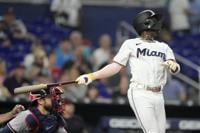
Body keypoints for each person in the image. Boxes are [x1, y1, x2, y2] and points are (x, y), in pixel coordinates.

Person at [76, 10, 180, 133]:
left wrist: (173, 66)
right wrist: (92, 75)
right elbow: (115, 66)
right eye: (153, 20)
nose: (157, 23)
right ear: (145, 23)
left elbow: (175, 69)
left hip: (158, 94)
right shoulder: (131, 44)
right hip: (140, 92)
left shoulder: (164, 47)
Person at [0, 87, 67, 132]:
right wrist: (11, 114)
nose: (57, 100)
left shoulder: (54, 117)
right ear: (40, 101)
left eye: (57, 97)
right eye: (52, 97)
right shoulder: (27, 117)